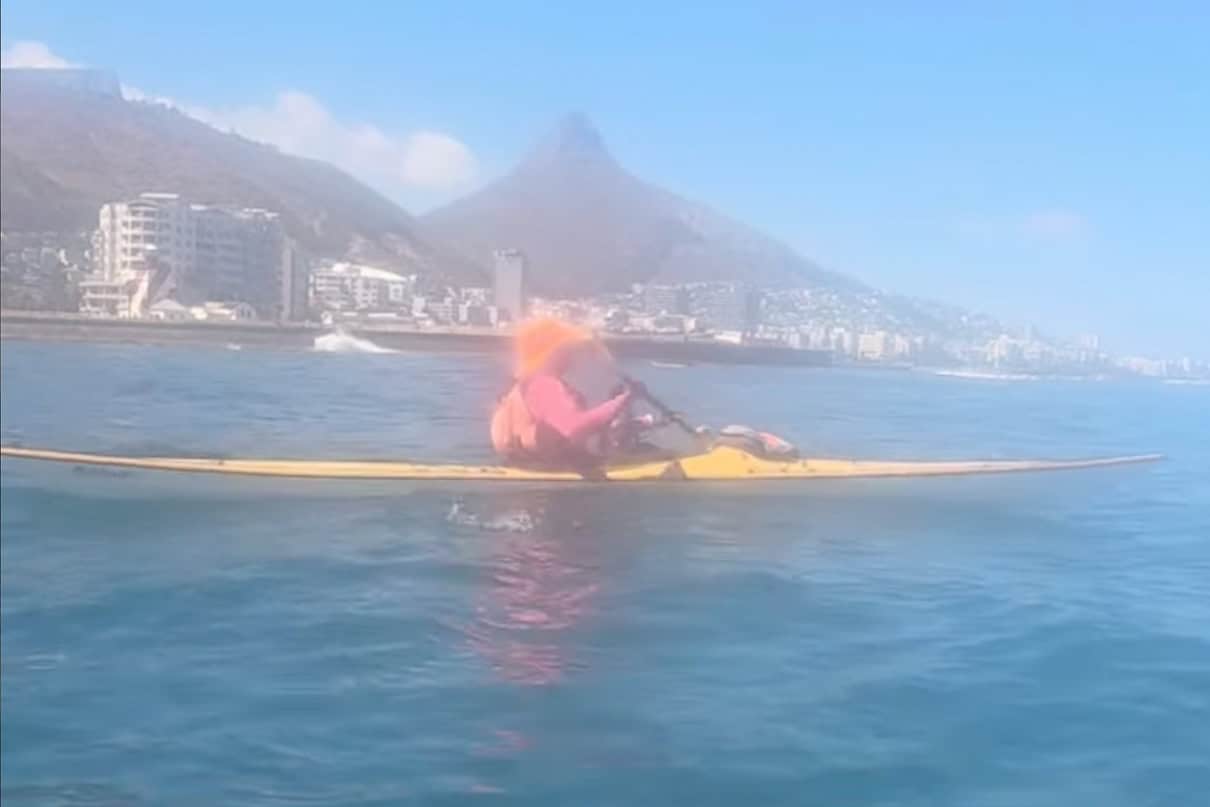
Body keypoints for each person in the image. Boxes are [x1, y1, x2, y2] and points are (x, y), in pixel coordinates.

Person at [491, 318, 648, 467]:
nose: (571, 356)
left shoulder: (525, 383)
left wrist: (625, 421)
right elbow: (575, 428)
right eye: (566, 350)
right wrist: (623, 400)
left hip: (525, 461)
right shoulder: (544, 385)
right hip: (548, 472)